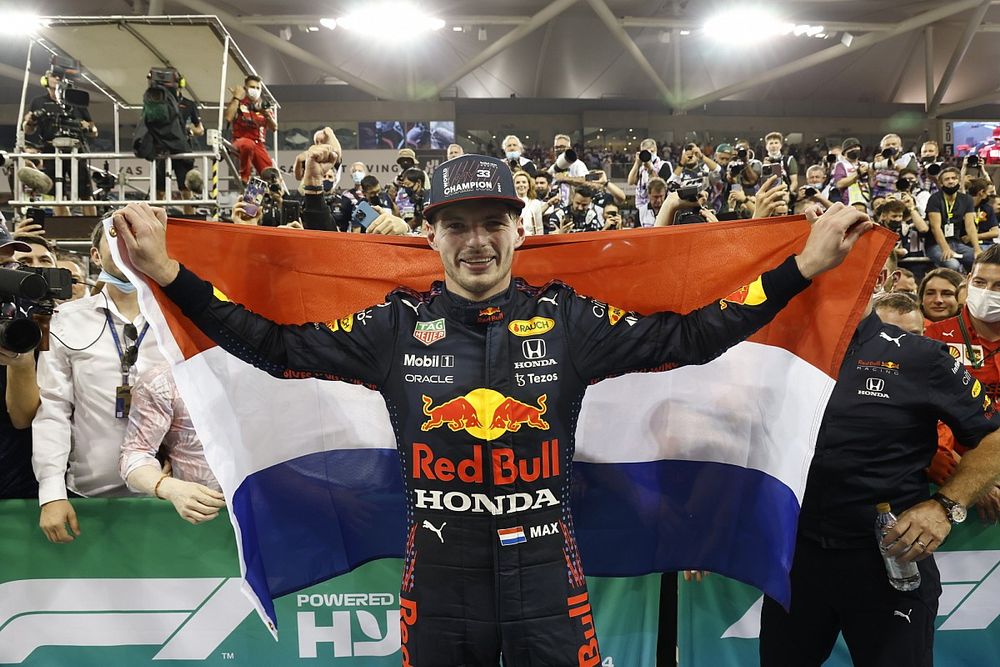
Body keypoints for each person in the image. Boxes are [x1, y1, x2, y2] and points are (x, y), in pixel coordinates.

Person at [112, 154, 872, 666]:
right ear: (433, 234)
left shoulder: (570, 318)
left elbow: (694, 335)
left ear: (519, 228)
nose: (476, 240)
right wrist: (169, 274)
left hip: (549, 581)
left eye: (492, 222)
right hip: (438, 587)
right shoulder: (394, 326)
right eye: (458, 224)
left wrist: (803, 267)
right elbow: (273, 344)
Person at [759, 252, 1000, 667]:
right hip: (796, 560)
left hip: (890, 562)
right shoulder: (776, 350)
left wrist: (945, 507)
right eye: (818, 266)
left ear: (881, 277)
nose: (827, 279)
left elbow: (992, 437)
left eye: (844, 267)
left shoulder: (922, 356)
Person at [32, 223, 166, 543]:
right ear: (95, 255)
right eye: (116, 236)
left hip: (168, 494)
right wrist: (51, 492)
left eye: (137, 236)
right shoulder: (65, 319)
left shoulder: (175, 321)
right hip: (88, 496)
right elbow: (53, 409)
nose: (129, 244)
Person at [924, 246, 1000, 524]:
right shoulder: (934, 337)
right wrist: (970, 478)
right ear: (968, 280)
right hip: (948, 472)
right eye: (980, 282)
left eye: (998, 285)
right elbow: (927, 412)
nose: (988, 291)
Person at [119, 363, 226, 524]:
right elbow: (135, 454)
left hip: (266, 509)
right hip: (199, 518)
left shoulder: (272, 377)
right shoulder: (163, 382)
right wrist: (170, 488)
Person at [0, 226, 38, 499]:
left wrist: (20, 362)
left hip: (19, 483)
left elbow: (23, 418)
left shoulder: (27, 329)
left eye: (9, 265)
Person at [925, 166, 979, 272]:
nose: (951, 181)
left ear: (958, 180)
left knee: (981, 260)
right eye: (947, 179)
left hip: (957, 243)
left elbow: (970, 226)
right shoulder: (935, 198)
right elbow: (935, 227)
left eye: (954, 178)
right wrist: (945, 249)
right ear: (941, 183)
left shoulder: (966, 199)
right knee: (953, 265)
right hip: (936, 245)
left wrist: (977, 249)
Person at [225, 75, 276, 184]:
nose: (255, 90)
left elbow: (274, 128)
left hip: (258, 144)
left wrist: (266, 114)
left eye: (258, 88)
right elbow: (228, 117)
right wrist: (236, 98)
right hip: (240, 141)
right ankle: (244, 177)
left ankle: (258, 196)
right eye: (252, 87)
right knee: (248, 144)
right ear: (245, 88)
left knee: (269, 173)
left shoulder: (263, 106)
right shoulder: (239, 103)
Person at [512, 170, 544, 236]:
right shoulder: (510, 203)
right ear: (513, 186)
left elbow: (539, 228)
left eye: (524, 182)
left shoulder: (535, 203)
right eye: (518, 182)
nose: (521, 185)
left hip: (531, 240)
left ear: (529, 185)